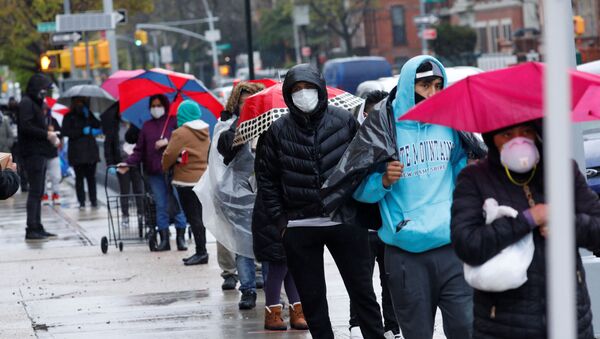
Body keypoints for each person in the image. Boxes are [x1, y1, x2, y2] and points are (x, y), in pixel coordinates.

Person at [255, 64, 385, 339]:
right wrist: (282, 223)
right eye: (297, 90)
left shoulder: (344, 121)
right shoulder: (277, 131)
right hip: (300, 225)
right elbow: (267, 179)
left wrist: (361, 210)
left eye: (308, 88)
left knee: (362, 293)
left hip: (346, 219)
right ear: (289, 95)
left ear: (320, 89)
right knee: (313, 301)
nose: (303, 94)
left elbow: (361, 165)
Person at [353, 56, 473, 339]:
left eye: (438, 85)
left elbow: (463, 174)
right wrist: (382, 180)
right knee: (417, 334)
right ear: (408, 86)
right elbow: (357, 187)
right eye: (425, 85)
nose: (432, 93)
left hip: (451, 246)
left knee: (466, 329)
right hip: (406, 254)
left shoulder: (451, 122)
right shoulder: (383, 127)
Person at [451, 120, 600, 339]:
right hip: (501, 324)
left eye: (527, 131)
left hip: (570, 320)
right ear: (491, 137)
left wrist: (567, 224)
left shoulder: (563, 170)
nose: (518, 141)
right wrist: (527, 219)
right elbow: (466, 244)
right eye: (507, 134)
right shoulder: (475, 178)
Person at [349, 89, 398, 339]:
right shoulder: (353, 141)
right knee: (360, 278)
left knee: (390, 279)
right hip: (360, 224)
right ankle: (356, 321)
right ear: (365, 114)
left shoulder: (396, 138)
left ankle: (392, 324)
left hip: (388, 223)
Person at [216, 81, 266, 310]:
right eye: (243, 102)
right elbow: (223, 152)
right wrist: (241, 129)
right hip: (239, 194)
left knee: (268, 246)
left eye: (251, 102)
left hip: (266, 193)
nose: (247, 106)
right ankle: (247, 290)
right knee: (242, 245)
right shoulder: (229, 126)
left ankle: (272, 289)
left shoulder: (269, 124)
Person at [119, 94, 188, 252]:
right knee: (160, 205)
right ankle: (164, 239)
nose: (156, 108)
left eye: (159, 105)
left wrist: (168, 142)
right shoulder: (147, 126)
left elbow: (183, 143)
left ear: (164, 105)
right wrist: (128, 164)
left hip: (174, 171)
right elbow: (139, 150)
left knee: (178, 204)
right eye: (153, 105)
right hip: (155, 173)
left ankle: (180, 238)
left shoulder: (173, 122)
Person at [162, 100, 210, 265]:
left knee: (193, 217)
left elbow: (169, 155)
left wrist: (166, 164)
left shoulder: (180, 133)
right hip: (203, 179)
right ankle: (201, 250)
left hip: (185, 181)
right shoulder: (205, 130)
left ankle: (201, 252)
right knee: (199, 217)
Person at [18, 73, 59, 240]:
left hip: (39, 152)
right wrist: (46, 134)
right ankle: (32, 227)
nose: (44, 93)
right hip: (32, 153)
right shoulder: (27, 103)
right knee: (35, 192)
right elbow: (26, 126)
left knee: (39, 190)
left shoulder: (35, 103)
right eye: (43, 90)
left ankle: (37, 225)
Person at [102, 102, 144, 229]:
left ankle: (141, 214)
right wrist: (110, 163)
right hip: (122, 163)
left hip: (136, 163)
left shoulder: (137, 126)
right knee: (124, 191)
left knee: (139, 190)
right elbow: (108, 146)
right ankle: (125, 216)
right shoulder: (114, 127)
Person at [62, 96, 102, 209]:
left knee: (91, 178)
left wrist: (89, 116)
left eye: (82, 102)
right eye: (78, 102)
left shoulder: (88, 114)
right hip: (77, 154)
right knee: (79, 178)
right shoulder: (68, 117)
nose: (80, 104)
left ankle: (93, 201)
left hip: (90, 153)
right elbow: (66, 131)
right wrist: (81, 131)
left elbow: (97, 124)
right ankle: (82, 202)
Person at [42, 112, 62, 206]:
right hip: (42, 154)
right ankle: (44, 194)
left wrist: (54, 132)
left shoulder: (53, 121)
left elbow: (60, 134)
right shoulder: (38, 121)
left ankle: (56, 194)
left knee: (56, 176)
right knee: (43, 177)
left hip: (53, 153)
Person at [7, 97, 27, 192]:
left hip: (20, 143)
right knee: (12, 164)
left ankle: (23, 184)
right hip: (11, 145)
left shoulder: (20, 114)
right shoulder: (7, 116)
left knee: (21, 165)